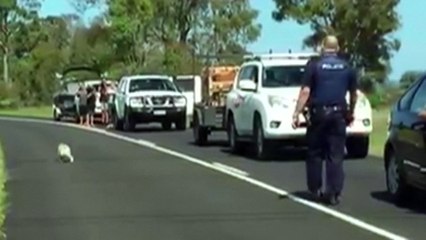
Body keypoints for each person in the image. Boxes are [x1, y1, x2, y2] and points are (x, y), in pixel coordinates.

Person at [292, 35, 358, 206]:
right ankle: (334, 192)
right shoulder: (348, 67)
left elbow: (306, 91)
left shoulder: (314, 66)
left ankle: (316, 189)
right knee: (335, 155)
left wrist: (296, 112)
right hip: (338, 115)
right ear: (337, 48)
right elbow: (353, 94)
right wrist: (351, 112)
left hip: (318, 114)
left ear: (323, 47)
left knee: (314, 153)